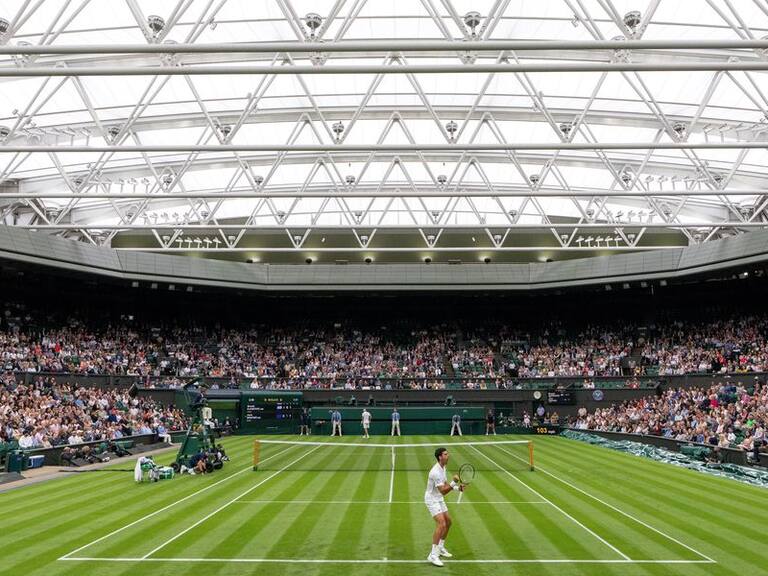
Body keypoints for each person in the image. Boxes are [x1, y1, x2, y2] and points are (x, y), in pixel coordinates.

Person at [424, 447, 464, 567]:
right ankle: (432, 555)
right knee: (441, 524)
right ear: (440, 457)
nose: (448, 456)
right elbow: (443, 491)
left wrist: (457, 488)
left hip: (438, 498)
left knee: (449, 522)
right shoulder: (435, 472)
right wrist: (454, 482)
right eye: (446, 454)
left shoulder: (443, 468)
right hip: (432, 499)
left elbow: (445, 485)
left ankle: (440, 547)